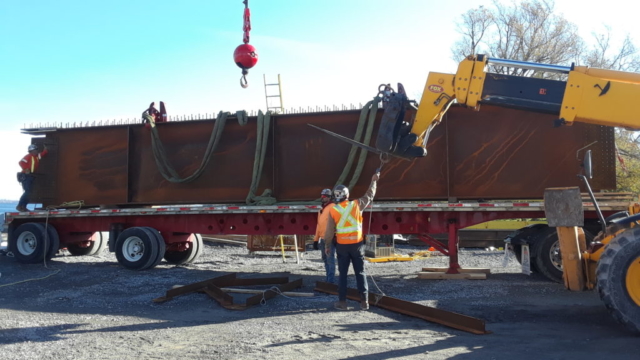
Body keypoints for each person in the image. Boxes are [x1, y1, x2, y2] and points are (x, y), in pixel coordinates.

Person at [325, 170, 380, 311]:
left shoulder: (333, 210)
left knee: (342, 275)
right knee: (360, 273)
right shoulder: (356, 204)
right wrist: (374, 180)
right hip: (357, 245)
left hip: (342, 247)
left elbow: (329, 231)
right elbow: (370, 195)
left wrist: (327, 246)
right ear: (347, 195)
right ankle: (364, 302)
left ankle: (342, 303)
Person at [313, 188, 336, 283]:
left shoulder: (333, 207)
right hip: (322, 239)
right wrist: (315, 239)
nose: (322, 198)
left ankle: (330, 282)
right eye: (321, 196)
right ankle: (328, 280)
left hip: (329, 238)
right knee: (325, 259)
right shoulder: (321, 210)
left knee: (330, 260)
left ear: (329, 197)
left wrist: (333, 236)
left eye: (324, 196)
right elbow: (319, 225)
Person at [17, 144, 48, 212]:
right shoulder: (28, 156)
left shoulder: (36, 157)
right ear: (31, 151)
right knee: (28, 191)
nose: (37, 151)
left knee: (29, 192)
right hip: (26, 176)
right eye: (35, 150)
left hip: (30, 176)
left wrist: (45, 149)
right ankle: (20, 205)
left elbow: (42, 154)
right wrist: (26, 169)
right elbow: (21, 162)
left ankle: (23, 207)